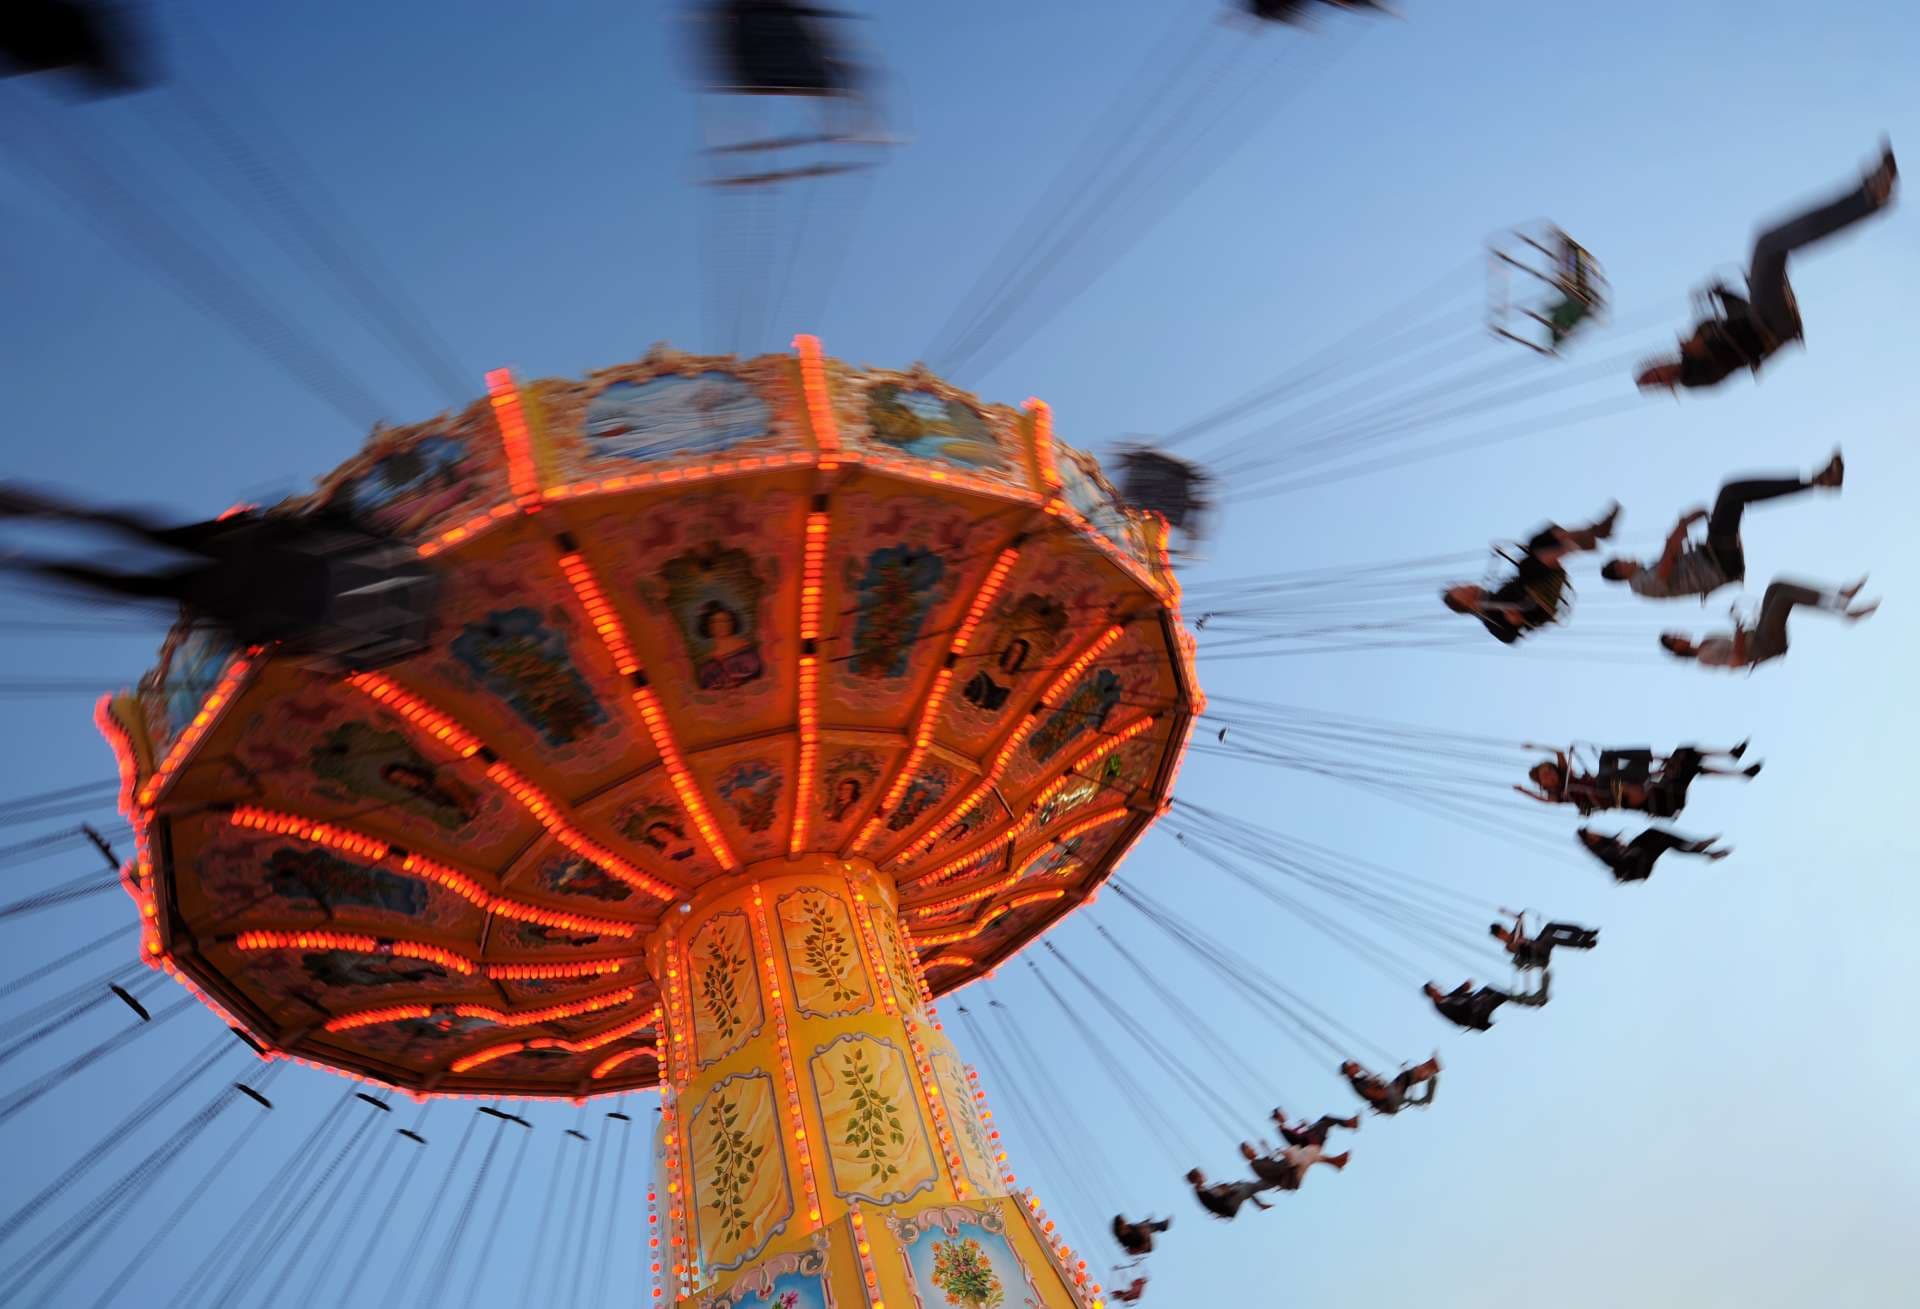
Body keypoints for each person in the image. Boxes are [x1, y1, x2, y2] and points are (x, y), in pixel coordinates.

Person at [1637, 142, 1897, 392]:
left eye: (1654, 370)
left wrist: (1721, 293)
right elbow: (1725, 365)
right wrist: (1701, 348)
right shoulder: (1694, 378)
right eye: (1657, 379)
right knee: (1766, 245)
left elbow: (1740, 312)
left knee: (1769, 243)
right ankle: (1869, 197)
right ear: (1666, 385)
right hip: (1771, 329)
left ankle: (1868, 196)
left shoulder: (1698, 333)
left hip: (1760, 314)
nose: (1660, 372)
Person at [1600, 454, 1844, 602]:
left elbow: (1673, 558)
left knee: (1734, 494)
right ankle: (1818, 481)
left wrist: (1682, 531)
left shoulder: (1644, 571)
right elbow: (1665, 568)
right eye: (1622, 560)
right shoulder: (1639, 585)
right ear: (1620, 571)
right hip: (1718, 565)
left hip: (1714, 557)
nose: (1628, 557)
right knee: (1730, 493)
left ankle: (1818, 480)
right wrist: (1680, 527)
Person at [1441, 503, 1620, 644]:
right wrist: (1514, 622)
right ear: (1468, 606)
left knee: (1536, 542)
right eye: (1464, 592)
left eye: (1463, 586)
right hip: (1538, 603)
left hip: (1540, 581)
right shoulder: (1490, 618)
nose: (1468, 587)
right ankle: (1576, 545)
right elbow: (1508, 637)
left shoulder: (1494, 595)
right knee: (1528, 565)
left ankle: (1594, 531)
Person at [1661, 577, 1878, 672]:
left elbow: (1741, 637)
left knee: (1777, 586)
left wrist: (1744, 623)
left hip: (1758, 635)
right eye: (1675, 638)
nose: (1679, 634)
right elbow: (1738, 661)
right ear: (1677, 648)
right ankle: (1844, 611)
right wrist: (1738, 628)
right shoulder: (1703, 658)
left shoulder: (1708, 639)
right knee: (1783, 598)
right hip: (1764, 647)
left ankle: (1840, 594)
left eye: (1675, 633)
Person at [1514, 743, 1758, 818]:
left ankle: (1734, 761)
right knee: (1605, 778)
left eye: (1549, 771)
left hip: (1612, 781)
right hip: (1606, 794)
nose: (1549, 776)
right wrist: (1524, 792)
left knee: (1608, 756)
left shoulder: (1568, 774)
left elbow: (1558, 753)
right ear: (1545, 785)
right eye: (1545, 777)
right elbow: (1545, 802)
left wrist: (1535, 746)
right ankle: (1654, 771)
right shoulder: (1561, 793)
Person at [1577, 827, 1730, 883]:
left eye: (1593, 832)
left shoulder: (1605, 842)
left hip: (1639, 859)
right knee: (1654, 836)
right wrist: (1625, 850)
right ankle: (1699, 848)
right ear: (1590, 840)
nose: (1595, 833)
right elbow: (1619, 862)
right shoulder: (1601, 852)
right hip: (1636, 867)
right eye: (1592, 835)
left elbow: (1624, 849)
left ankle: (1706, 852)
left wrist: (1622, 845)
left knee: (1661, 839)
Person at [1424, 975, 1548, 1031]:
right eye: (1434, 989)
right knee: (1496, 996)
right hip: (1473, 1017)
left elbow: (1457, 993)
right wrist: (1473, 1001)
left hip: (1475, 1007)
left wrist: (1464, 987)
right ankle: (1533, 1001)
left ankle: (1531, 1000)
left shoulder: (1446, 998)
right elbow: (1457, 1013)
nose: (1438, 989)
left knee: (1489, 989)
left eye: (1436, 987)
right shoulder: (1441, 1007)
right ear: (1431, 994)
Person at [1490, 911, 1597, 969]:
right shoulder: (1508, 947)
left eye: (1504, 930)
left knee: (1549, 926)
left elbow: (1520, 920)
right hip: (1538, 953)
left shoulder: (1515, 933)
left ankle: (1582, 933)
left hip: (1539, 944)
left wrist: (1510, 913)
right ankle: (1582, 944)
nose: (1506, 933)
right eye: (1503, 933)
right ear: (1500, 938)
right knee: (1549, 937)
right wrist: (1518, 932)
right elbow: (1515, 945)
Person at [1340, 1056, 1440, 1116]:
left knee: (1407, 1076)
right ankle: (1429, 1069)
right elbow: (1375, 1095)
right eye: (1351, 1066)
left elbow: (1375, 1086)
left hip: (1389, 1096)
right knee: (1407, 1075)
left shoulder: (1359, 1079)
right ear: (1349, 1072)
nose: (1354, 1065)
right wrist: (1391, 1091)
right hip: (1388, 1100)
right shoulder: (1357, 1085)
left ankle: (1430, 1069)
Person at [1238, 1138, 1350, 1192]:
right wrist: (1287, 1159)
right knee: (1304, 1152)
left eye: (1250, 1147)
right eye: (1249, 1148)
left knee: (1308, 1151)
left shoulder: (1258, 1162)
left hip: (1291, 1174)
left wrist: (1269, 1149)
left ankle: (1335, 1162)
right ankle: (1334, 1162)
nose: (1252, 1149)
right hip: (1291, 1176)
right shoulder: (1256, 1165)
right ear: (1245, 1154)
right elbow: (1276, 1170)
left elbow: (1272, 1163)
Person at [1185, 1168, 1274, 1220]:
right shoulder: (1201, 1192)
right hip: (1228, 1207)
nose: (1204, 1175)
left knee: (1241, 1185)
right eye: (1201, 1174)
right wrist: (1226, 1192)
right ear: (1197, 1179)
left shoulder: (1203, 1189)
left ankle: (1260, 1203)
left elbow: (1217, 1195)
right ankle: (1272, 1182)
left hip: (1228, 1205)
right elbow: (1215, 1203)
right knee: (1245, 1187)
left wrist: (1225, 1189)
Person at [1271, 1107, 1360, 1149]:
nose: (1284, 1114)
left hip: (1309, 1137)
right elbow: (1294, 1140)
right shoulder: (1282, 1129)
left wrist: (1301, 1126)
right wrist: (1304, 1129)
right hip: (1311, 1142)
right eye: (1282, 1114)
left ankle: (1349, 1123)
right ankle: (1349, 1123)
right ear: (1278, 1117)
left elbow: (1295, 1134)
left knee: (1326, 1118)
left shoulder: (1284, 1127)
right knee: (1325, 1121)